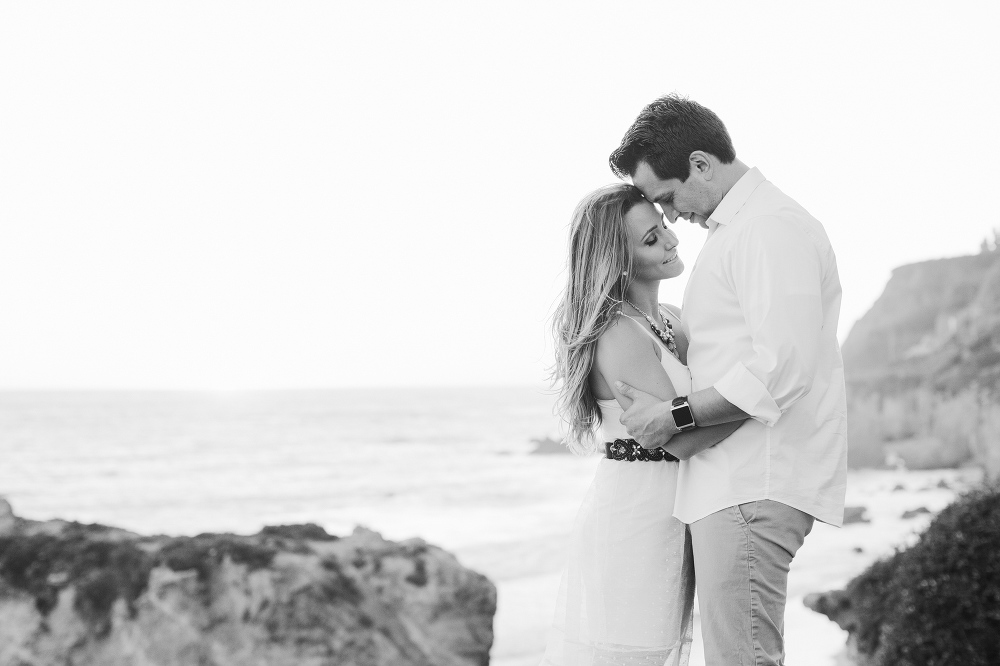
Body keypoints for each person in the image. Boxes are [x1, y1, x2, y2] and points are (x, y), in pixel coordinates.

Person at [608, 94, 848, 666]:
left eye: (667, 198)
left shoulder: (768, 228)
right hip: (733, 482)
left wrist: (675, 416)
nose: (668, 217)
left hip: (750, 483)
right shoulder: (739, 230)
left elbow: (782, 367)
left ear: (700, 164)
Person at [541, 183, 745, 666]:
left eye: (664, 228)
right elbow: (685, 440)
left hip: (680, 505)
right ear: (620, 260)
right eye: (650, 240)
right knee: (637, 654)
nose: (672, 241)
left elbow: (699, 406)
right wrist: (760, 401)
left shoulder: (672, 319)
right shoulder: (617, 331)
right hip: (637, 514)